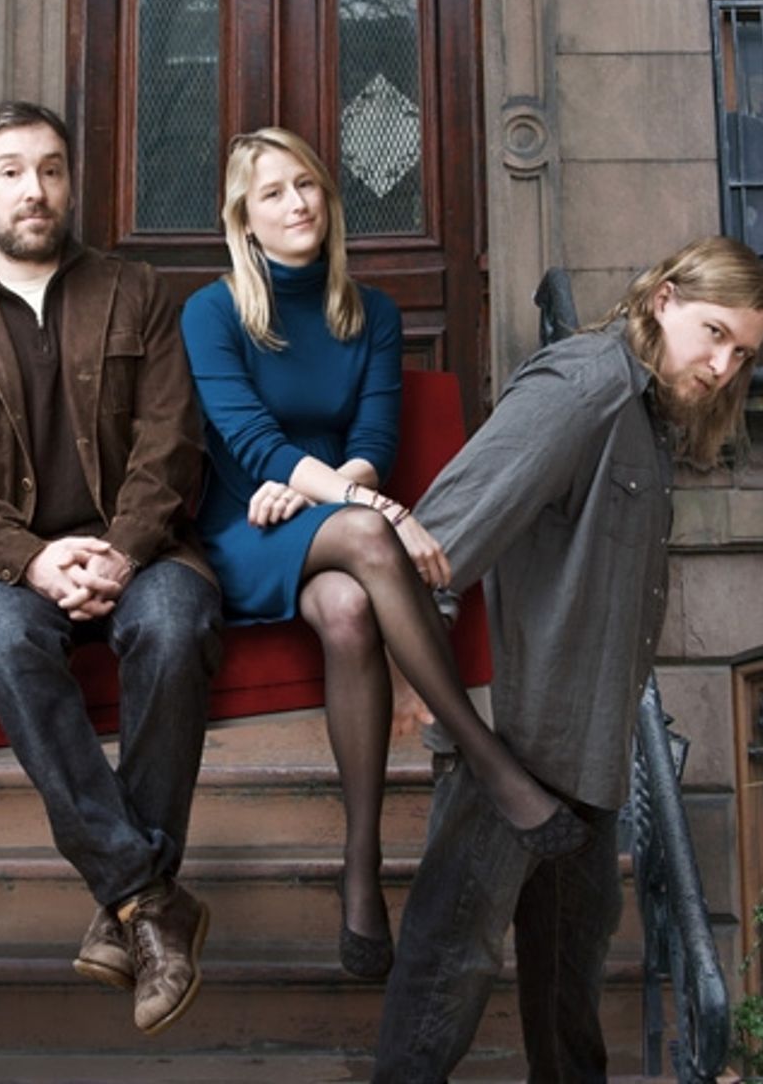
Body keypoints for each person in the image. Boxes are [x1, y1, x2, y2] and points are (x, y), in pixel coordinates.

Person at [179, 127, 589, 984]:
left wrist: (337, 487)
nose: (297, 205)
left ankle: (359, 869)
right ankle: (485, 757)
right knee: (369, 539)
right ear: (244, 221)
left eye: (308, 186)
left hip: (315, 507)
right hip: (245, 524)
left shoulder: (371, 313)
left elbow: (371, 437)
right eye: (273, 195)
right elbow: (250, 444)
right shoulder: (213, 311)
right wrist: (372, 509)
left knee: (350, 606)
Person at [373, 235, 763, 1082]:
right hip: (513, 753)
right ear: (663, 297)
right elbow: (427, 549)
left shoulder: (648, 414)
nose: (722, 364)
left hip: (588, 754)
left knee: (568, 1001)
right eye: (713, 334)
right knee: (446, 978)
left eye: (741, 353)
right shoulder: (581, 387)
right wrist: (431, 699)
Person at [0, 101, 221, 1037]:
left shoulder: (138, 291)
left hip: (147, 548)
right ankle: (148, 896)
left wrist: (119, 553)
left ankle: (129, 901)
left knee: (171, 624)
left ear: (71, 182)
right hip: (10, 567)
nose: (33, 189)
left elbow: (173, 441)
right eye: (10, 171)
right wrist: (36, 561)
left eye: (49, 169)